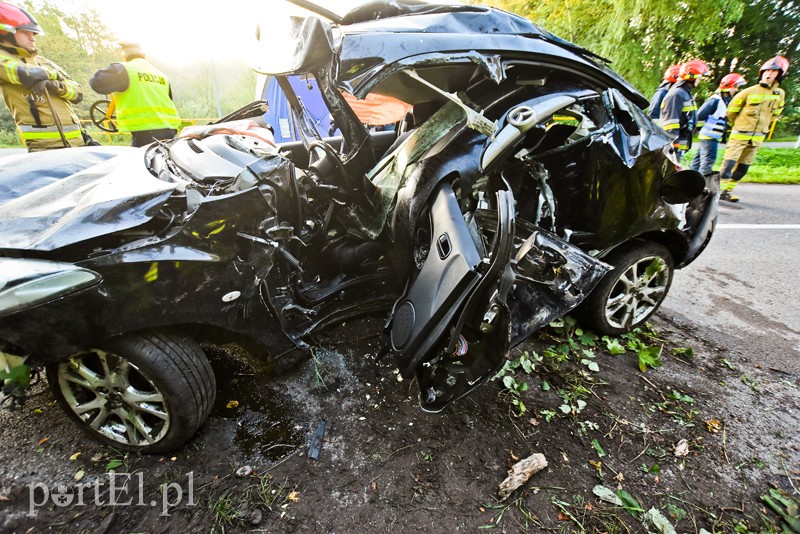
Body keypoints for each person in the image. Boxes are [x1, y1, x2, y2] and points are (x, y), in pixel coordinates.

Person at [0, 2, 88, 151]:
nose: (32, 37)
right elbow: (30, 75)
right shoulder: (4, 60)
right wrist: (54, 75)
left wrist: (56, 85)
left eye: (33, 33)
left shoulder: (43, 61)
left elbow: (78, 93)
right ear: (5, 32)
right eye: (26, 32)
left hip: (78, 142)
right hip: (45, 149)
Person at [718, 55, 788, 202]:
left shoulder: (780, 94)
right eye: (766, 70)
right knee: (728, 165)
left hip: (757, 138)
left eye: (773, 71)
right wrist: (736, 125)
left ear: (780, 74)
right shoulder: (748, 91)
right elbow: (731, 111)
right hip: (740, 135)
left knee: (743, 168)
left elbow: (776, 113)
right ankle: (718, 191)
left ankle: (727, 192)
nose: (769, 74)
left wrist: (765, 126)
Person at [90, 42, 181, 147]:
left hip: (146, 131)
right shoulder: (161, 75)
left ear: (124, 57)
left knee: (143, 162)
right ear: (143, 55)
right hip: (170, 128)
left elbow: (96, 83)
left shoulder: (124, 69)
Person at [690, 72, 747, 176]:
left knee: (697, 161)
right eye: (735, 86)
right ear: (727, 86)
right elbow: (699, 116)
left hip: (711, 137)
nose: (736, 90)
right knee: (708, 161)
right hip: (709, 136)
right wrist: (697, 129)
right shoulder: (715, 100)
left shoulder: (724, 101)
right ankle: (702, 186)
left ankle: (690, 182)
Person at [659, 60, 709, 161]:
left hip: (682, 144)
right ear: (691, 77)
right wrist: (674, 147)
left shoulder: (685, 93)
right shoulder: (676, 94)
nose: (700, 79)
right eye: (699, 76)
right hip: (674, 148)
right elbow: (671, 124)